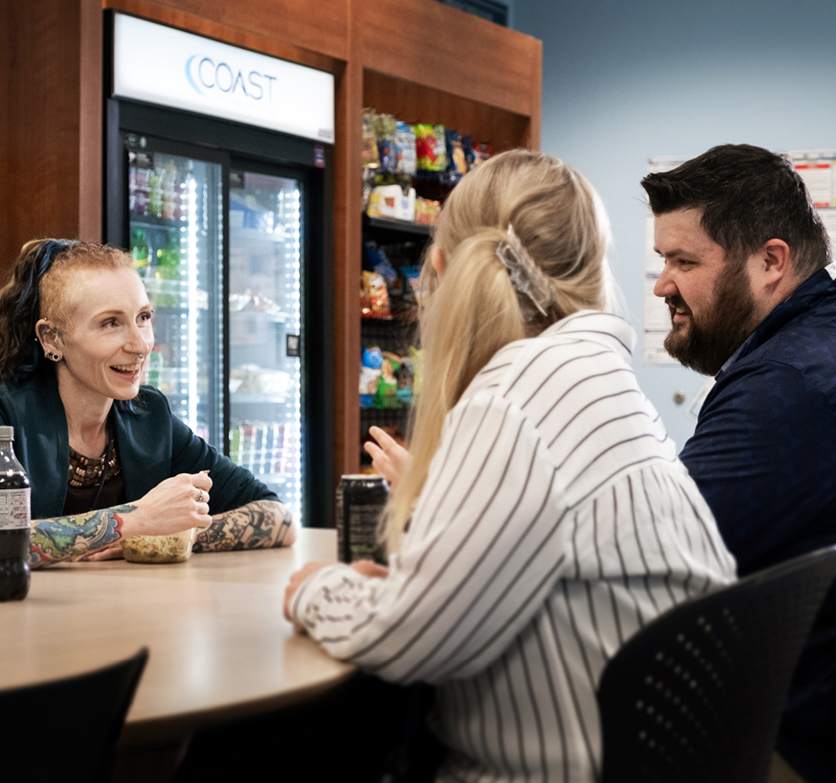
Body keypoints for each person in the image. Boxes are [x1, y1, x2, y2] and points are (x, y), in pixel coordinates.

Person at [283, 150, 736, 783]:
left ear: (441, 271)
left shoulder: (518, 391)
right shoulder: (593, 376)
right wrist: (405, 588)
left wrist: (315, 590)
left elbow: (410, 640)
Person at [645, 143, 836, 783]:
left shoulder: (789, 385)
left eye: (683, 261)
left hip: (785, 744)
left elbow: (648, 557)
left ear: (771, 261)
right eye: (663, 260)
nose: (662, 285)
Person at [0, 239, 294, 571]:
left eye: (143, 318)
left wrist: (171, 534)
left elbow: (279, 516)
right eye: (111, 323)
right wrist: (136, 520)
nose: (140, 345)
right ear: (52, 338)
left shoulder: (149, 414)